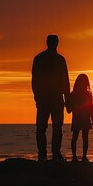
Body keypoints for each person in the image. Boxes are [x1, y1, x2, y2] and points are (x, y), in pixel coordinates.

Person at [32, 34, 70, 162]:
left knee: (43, 128)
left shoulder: (40, 58)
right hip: (53, 98)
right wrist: (68, 99)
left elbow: (34, 80)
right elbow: (65, 81)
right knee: (54, 128)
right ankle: (53, 155)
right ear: (57, 43)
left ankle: (44, 155)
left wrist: (37, 96)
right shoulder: (59, 60)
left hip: (47, 98)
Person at [68, 74, 93, 162]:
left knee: (75, 136)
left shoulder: (74, 94)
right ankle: (83, 157)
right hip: (84, 117)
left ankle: (75, 157)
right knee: (84, 137)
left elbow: (69, 108)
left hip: (77, 117)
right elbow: (91, 107)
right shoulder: (87, 94)